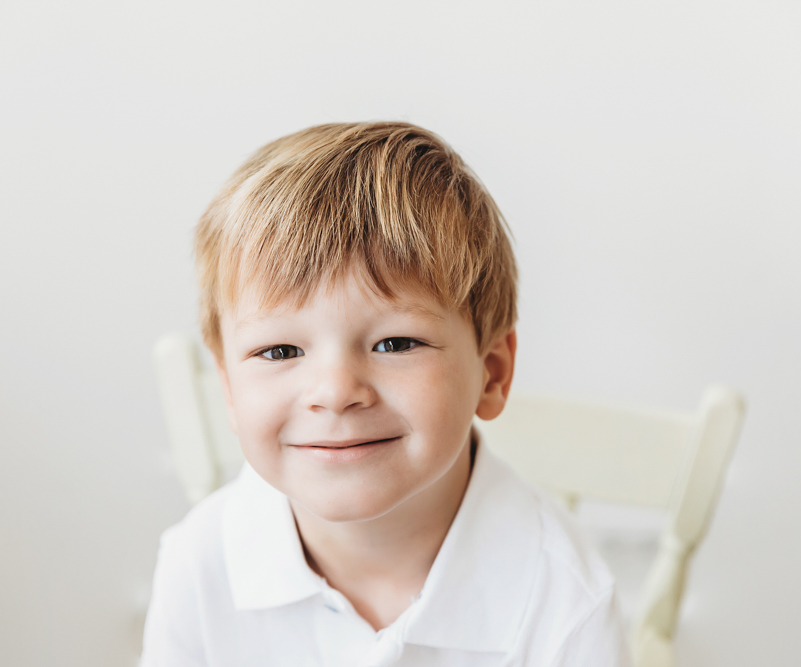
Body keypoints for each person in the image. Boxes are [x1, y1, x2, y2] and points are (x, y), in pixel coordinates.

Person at [141, 122, 631, 666]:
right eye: (280, 351)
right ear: (228, 387)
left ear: (490, 374)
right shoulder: (198, 565)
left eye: (395, 342)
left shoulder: (565, 602)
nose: (334, 393)